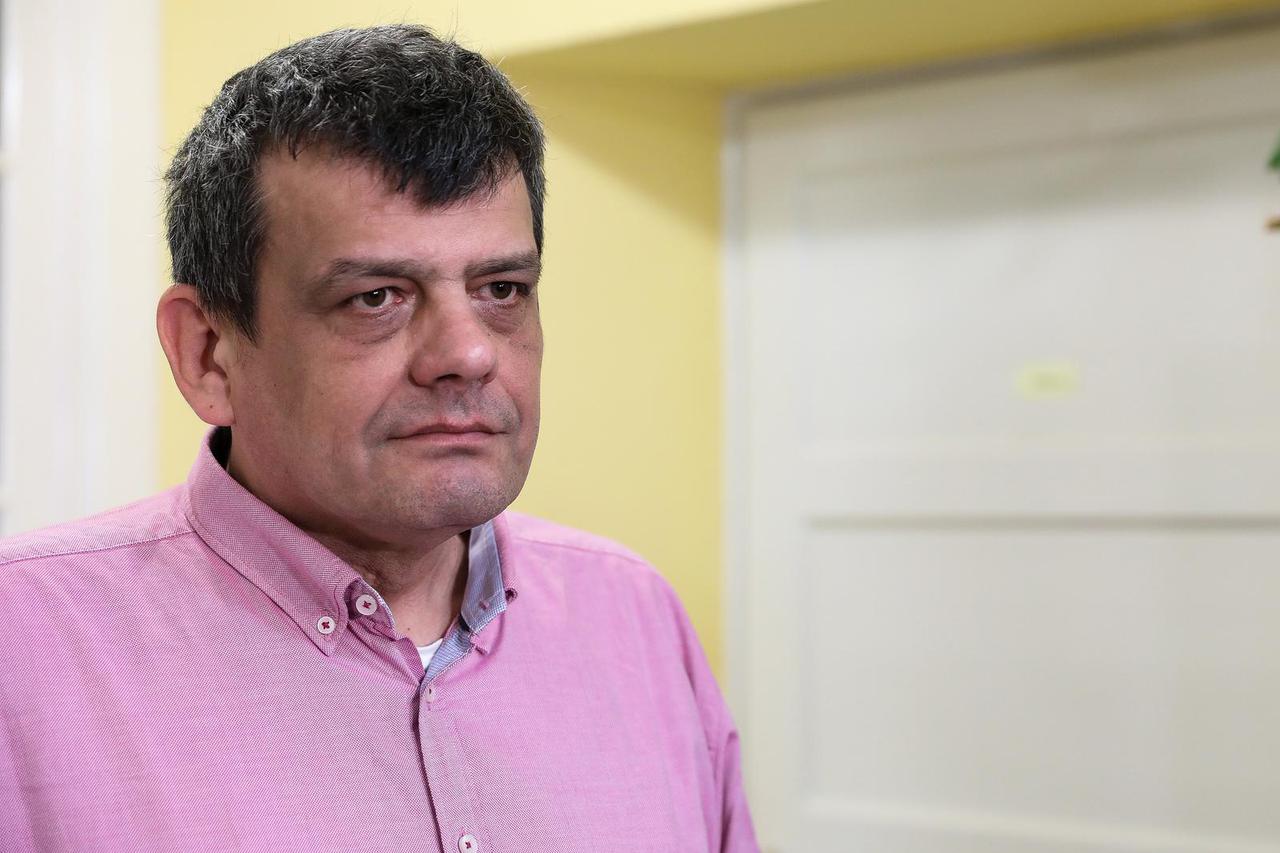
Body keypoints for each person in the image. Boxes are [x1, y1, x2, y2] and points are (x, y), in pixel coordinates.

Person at [0, 25, 757, 852]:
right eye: (376, 297)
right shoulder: (24, 650)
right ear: (208, 352)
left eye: (503, 288)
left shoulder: (635, 618)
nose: (468, 353)